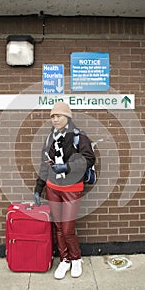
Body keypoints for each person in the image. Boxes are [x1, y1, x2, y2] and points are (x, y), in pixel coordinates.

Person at [34, 102, 96, 280]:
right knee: (59, 227)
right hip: (53, 188)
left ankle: (76, 258)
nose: (55, 119)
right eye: (52, 116)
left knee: (68, 229)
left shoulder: (78, 136)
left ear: (67, 117)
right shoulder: (49, 138)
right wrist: (39, 188)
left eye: (58, 116)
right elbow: (45, 165)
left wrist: (67, 168)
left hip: (72, 188)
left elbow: (89, 159)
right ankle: (64, 260)